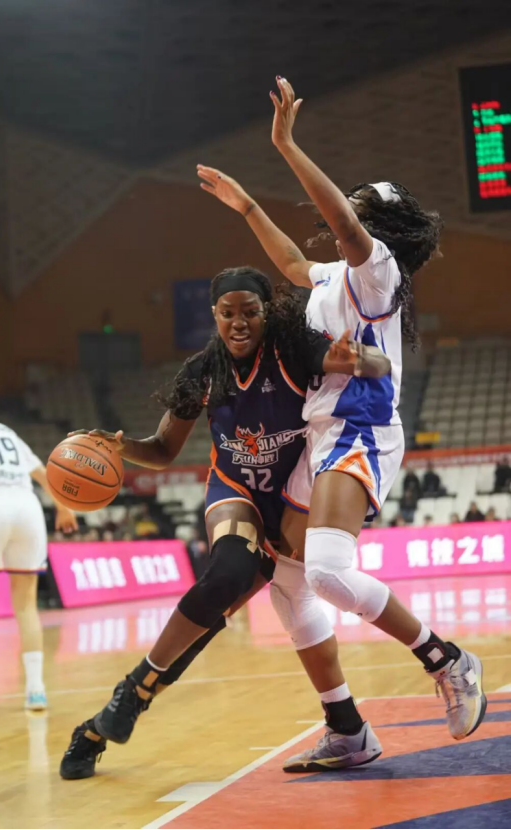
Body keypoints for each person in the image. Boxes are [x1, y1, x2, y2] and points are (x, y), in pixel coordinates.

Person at [196, 76, 486, 769]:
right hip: (318, 430)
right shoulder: (332, 275)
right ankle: (347, 730)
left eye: (356, 206)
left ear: (376, 225)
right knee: (288, 580)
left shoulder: (379, 270)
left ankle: (446, 659)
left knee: (326, 573)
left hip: (358, 429)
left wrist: (287, 147)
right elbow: (292, 262)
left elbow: (346, 227)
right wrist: (246, 206)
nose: (342, 210)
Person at [60, 266, 391, 779]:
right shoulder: (201, 371)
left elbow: (381, 363)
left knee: (215, 624)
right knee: (227, 574)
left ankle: (104, 721)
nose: (239, 322)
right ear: (214, 315)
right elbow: (163, 450)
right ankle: (130, 694)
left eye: (250, 312)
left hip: (293, 497)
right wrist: (119, 447)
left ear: (266, 313)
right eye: (228, 313)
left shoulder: (291, 350)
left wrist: (361, 357)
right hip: (234, 489)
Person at [0, 385, 77, 710]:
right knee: (25, 605)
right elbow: (40, 472)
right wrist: (63, 506)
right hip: (28, 505)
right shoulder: (3, 429)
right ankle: (36, 691)